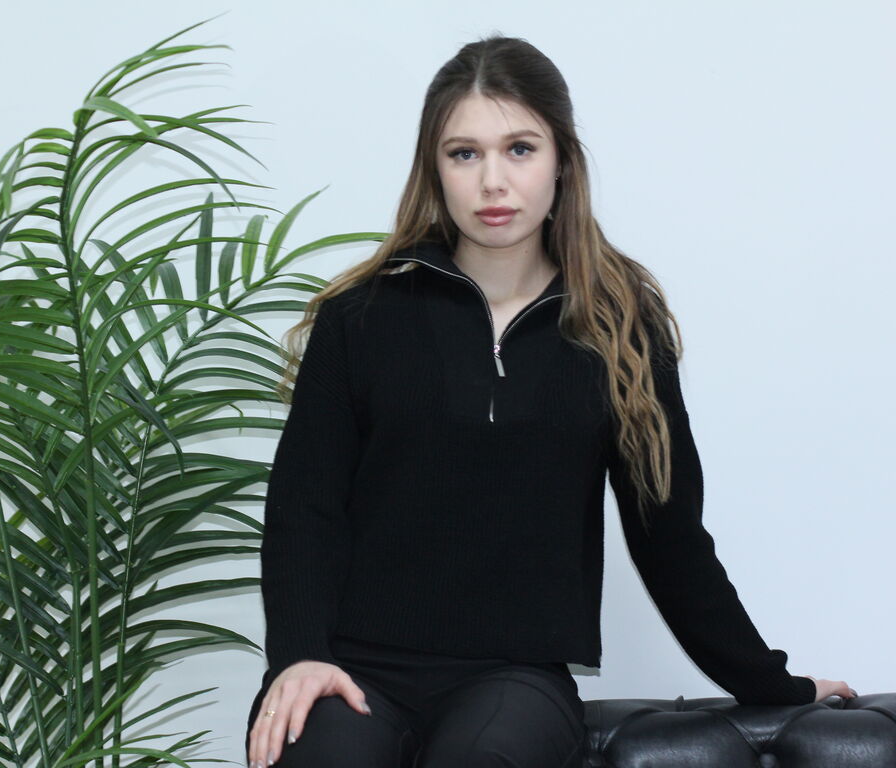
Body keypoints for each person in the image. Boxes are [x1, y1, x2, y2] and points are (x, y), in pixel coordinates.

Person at [244, 34, 855, 768]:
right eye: (464, 153)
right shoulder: (362, 317)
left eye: (520, 149)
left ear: (562, 159)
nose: (492, 181)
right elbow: (304, 509)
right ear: (435, 169)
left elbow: (668, 536)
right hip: (354, 667)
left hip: (514, 678)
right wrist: (299, 657)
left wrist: (772, 683)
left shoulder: (621, 327)